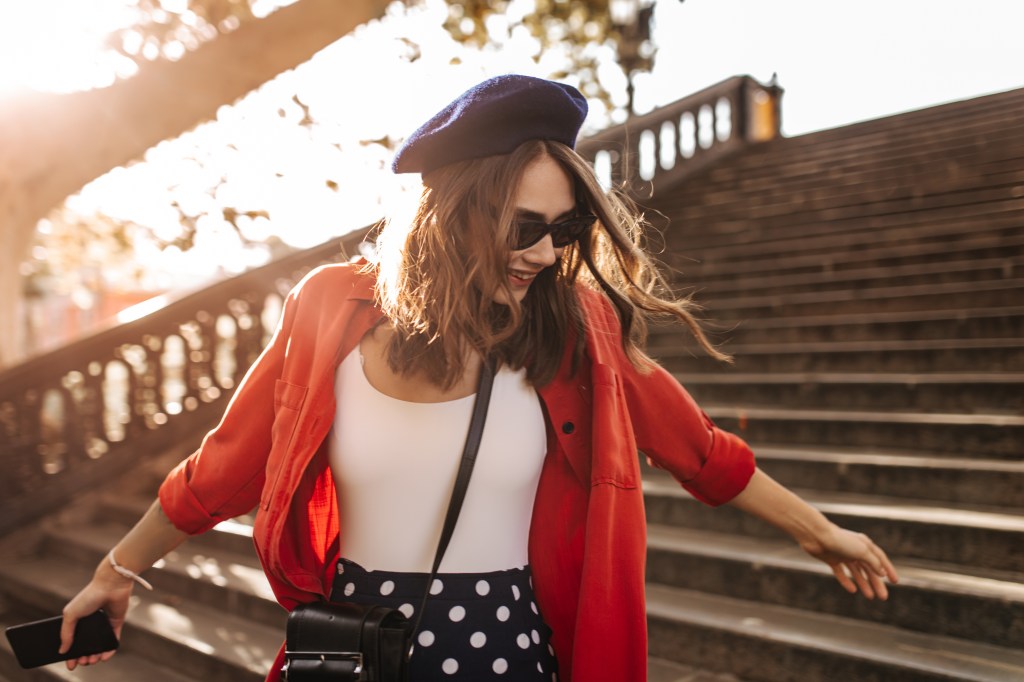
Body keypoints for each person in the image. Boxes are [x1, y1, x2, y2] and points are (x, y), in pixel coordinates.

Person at [59, 74, 899, 682]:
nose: (546, 253)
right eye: (525, 226)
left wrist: (821, 533)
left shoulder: (577, 331)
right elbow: (225, 465)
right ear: (453, 209)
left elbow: (700, 450)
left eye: (563, 229)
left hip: (500, 651)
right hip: (343, 650)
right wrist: (118, 570)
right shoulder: (327, 308)